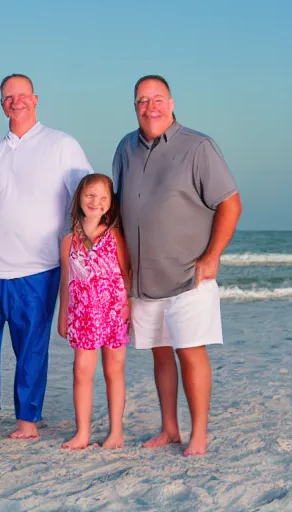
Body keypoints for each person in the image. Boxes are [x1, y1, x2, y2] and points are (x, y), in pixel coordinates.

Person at [0, 74, 94, 441]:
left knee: (30, 349)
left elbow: (90, 198)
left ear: (35, 99)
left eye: (21, 95)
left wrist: (91, 253)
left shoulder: (61, 145)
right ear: (1, 104)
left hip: (38, 268)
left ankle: (26, 422)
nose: (15, 102)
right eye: (7, 97)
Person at [113, 75, 242, 456]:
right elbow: (120, 210)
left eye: (156, 99)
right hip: (144, 277)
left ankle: (198, 432)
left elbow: (230, 204)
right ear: (134, 106)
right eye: (141, 100)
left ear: (170, 103)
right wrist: (124, 270)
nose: (149, 107)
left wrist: (212, 255)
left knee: (190, 352)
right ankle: (169, 428)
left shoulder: (198, 146)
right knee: (159, 353)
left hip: (189, 275)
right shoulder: (125, 148)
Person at [58, 173, 130, 450]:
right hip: (83, 315)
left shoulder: (114, 235)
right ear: (79, 198)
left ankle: (116, 433)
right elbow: (66, 280)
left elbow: (126, 273)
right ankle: (82, 433)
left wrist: (130, 303)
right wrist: (63, 315)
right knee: (82, 372)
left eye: (102, 198)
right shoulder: (68, 241)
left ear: (110, 203)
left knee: (114, 371)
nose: (95, 202)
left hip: (114, 312)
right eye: (90, 196)